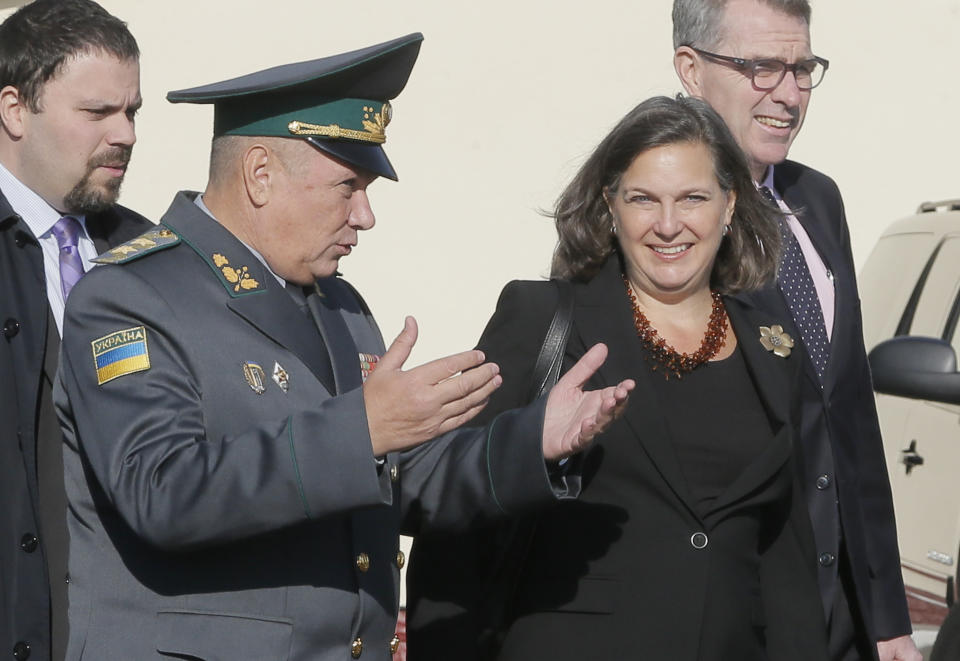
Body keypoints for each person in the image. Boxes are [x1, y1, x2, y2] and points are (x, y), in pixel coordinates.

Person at [52, 33, 632, 661]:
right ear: (260, 175)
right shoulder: (130, 295)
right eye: (347, 186)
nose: (365, 216)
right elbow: (162, 491)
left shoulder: (339, 305)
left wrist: (533, 443)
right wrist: (362, 429)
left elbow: (398, 476)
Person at [408, 95, 828, 660]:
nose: (668, 224)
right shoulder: (542, 318)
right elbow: (456, 518)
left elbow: (785, 558)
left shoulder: (773, 345)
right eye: (643, 199)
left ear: (729, 205)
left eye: (693, 199)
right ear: (611, 205)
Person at [672, 1, 920, 660]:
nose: (788, 94)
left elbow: (850, 417)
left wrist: (887, 616)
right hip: (732, 617)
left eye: (802, 68)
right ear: (691, 70)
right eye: (761, 67)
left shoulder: (818, 199)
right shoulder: (661, 221)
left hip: (840, 616)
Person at [0, 2, 148, 660]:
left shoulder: (153, 256)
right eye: (97, 113)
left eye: (132, 112)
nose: (124, 135)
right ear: (13, 109)